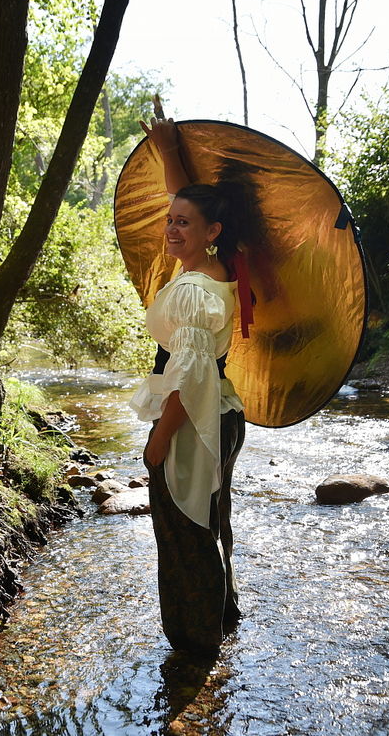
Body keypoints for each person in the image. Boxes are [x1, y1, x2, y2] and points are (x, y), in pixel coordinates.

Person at [130, 117, 265, 657]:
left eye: (182, 224)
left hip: (193, 419)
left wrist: (159, 440)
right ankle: (221, 619)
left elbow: (188, 376)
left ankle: (194, 644)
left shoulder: (193, 289)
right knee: (208, 519)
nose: (170, 228)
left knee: (183, 531)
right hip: (221, 415)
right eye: (168, 220)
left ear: (212, 233)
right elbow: (188, 203)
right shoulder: (217, 272)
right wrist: (168, 149)